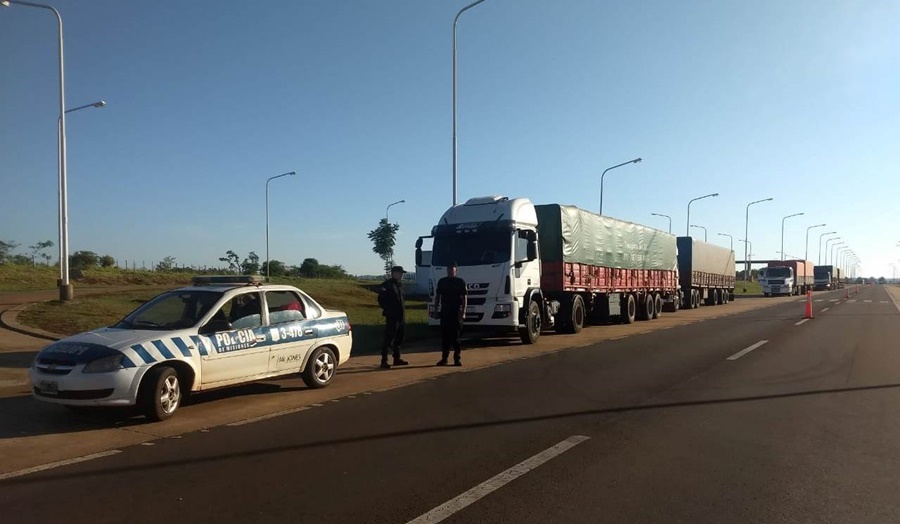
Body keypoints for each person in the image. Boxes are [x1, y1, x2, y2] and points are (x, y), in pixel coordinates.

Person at [434, 261, 467, 366]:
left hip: (456, 312)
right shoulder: (442, 282)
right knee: (445, 337)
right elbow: (438, 296)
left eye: (452, 270)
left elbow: (464, 297)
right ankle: (444, 358)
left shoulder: (460, 282)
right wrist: (436, 310)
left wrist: (463, 312)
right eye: (448, 270)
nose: (450, 272)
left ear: (456, 271)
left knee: (456, 337)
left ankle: (457, 359)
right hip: (445, 312)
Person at [378, 266, 409, 369]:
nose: (401, 275)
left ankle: (397, 358)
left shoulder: (400, 285)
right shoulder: (387, 285)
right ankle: (384, 360)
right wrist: (388, 310)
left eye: (402, 273)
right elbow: (381, 300)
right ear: (394, 273)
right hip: (392, 316)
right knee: (389, 338)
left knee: (399, 338)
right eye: (400, 273)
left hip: (401, 315)